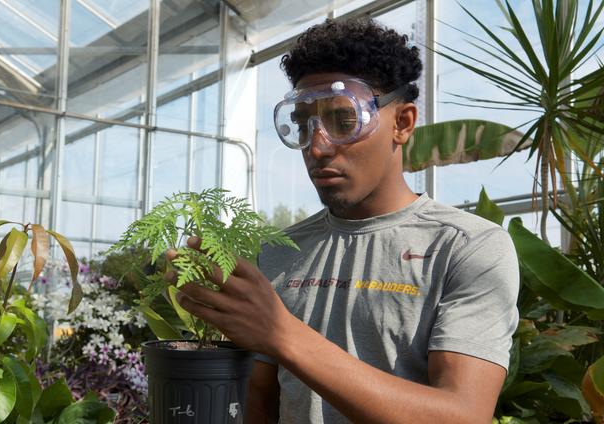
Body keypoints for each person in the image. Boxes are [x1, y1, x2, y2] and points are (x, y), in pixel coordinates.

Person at [175, 17, 519, 423]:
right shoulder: (277, 253)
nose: (317, 147)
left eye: (344, 121)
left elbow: (462, 415)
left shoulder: (465, 248)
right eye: (304, 124)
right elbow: (259, 404)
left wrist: (283, 334)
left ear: (402, 123)